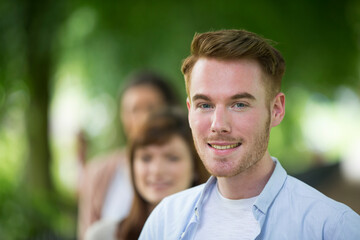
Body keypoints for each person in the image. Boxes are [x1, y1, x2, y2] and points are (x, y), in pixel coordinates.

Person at [139, 29, 360, 239]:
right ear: (189, 112)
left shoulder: (332, 228)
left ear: (276, 110)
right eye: (205, 105)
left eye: (239, 104)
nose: (218, 125)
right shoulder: (164, 222)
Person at [77, 70, 179, 240]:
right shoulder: (98, 173)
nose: (143, 118)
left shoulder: (185, 166)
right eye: (134, 110)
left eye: (151, 108)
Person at [84, 108, 209, 240]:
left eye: (172, 158)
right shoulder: (103, 235)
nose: (156, 170)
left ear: (195, 167)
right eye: (146, 158)